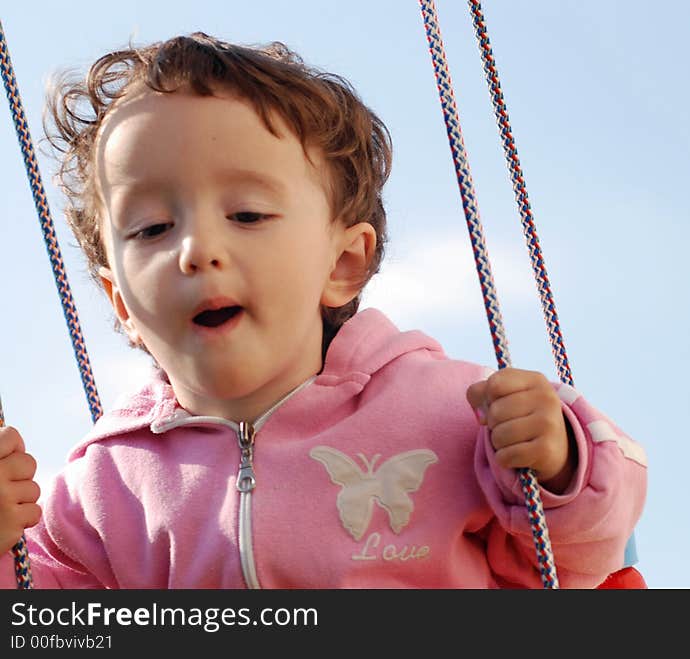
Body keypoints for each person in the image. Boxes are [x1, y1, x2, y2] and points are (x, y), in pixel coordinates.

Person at [0, 32, 647, 588]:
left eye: (247, 214)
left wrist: (561, 463)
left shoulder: (449, 410)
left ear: (342, 264)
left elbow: (574, 562)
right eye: (151, 229)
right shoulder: (104, 487)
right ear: (122, 303)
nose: (195, 250)